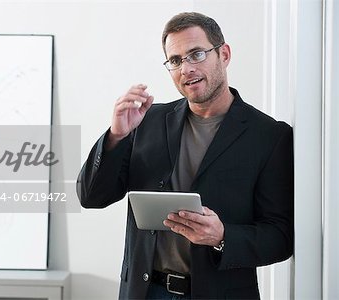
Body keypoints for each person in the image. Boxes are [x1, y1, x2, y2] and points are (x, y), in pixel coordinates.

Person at [77, 12, 294, 300]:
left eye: (197, 54)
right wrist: (116, 136)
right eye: (176, 60)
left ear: (224, 54)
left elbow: (280, 237)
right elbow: (92, 197)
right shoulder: (146, 121)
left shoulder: (269, 135)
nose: (186, 68)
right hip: (144, 291)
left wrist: (222, 236)